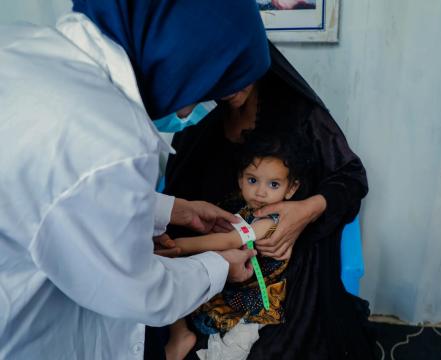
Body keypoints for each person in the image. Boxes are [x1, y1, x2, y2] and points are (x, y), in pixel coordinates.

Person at [0, 1, 271, 359]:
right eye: (205, 90)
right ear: (184, 59)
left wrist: (175, 210)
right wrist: (219, 267)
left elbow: (46, 189)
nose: (194, 110)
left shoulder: (20, 43)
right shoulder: (110, 136)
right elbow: (142, 292)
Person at [163, 42, 376, 359]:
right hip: (220, 256)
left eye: (238, 72)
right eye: (217, 77)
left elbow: (352, 177)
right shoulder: (201, 126)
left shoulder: (301, 115)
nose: (228, 87)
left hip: (287, 266)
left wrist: (305, 210)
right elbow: (177, 202)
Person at [163, 131, 307, 359]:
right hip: (234, 277)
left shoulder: (270, 220)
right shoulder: (243, 207)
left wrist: (180, 246)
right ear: (240, 179)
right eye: (252, 180)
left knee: (236, 345)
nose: (260, 192)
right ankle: (180, 334)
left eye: (273, 184)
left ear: (291, 189)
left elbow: (229, 240)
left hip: (253, 293)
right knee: (173, 281)